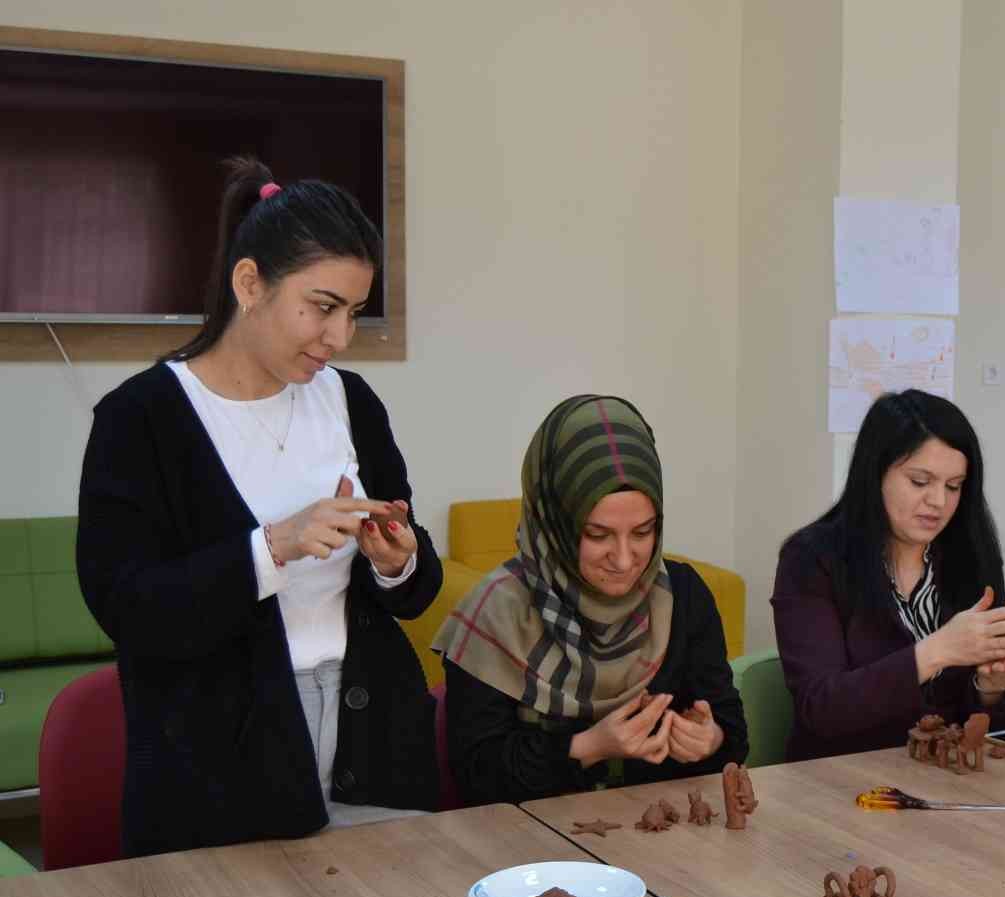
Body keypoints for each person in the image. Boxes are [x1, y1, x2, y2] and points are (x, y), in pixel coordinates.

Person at [77, 157, 442, 858]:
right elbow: (127, 608)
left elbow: (411, 590)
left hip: (375, 745)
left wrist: (400, 560)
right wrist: (269, 548)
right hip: (219, 769)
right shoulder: (140, 420)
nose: (338, 338)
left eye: (354, 314)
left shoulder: (352, 401)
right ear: (250, 283)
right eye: (322, 307)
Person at [772, 389, 1005, 897]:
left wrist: (992, 679)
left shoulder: (964, 556)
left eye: (955, 486)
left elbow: (983, 719)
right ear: (876, 474)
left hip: (944, 806)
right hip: (838, 805)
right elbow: (821, 707)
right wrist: (939, 650)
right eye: (920, 480)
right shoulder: (814, 559)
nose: (938, 502)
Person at [437, 395, 748, 804]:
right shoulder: (497, 611)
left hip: (662, 836)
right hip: (528, 849)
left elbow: (732, 732)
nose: (624, 560)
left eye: (643, 532)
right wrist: (588, 748)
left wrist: (709, 739)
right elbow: (476, 776)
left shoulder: (681, 595)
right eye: (597, 535)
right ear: (555, 523)